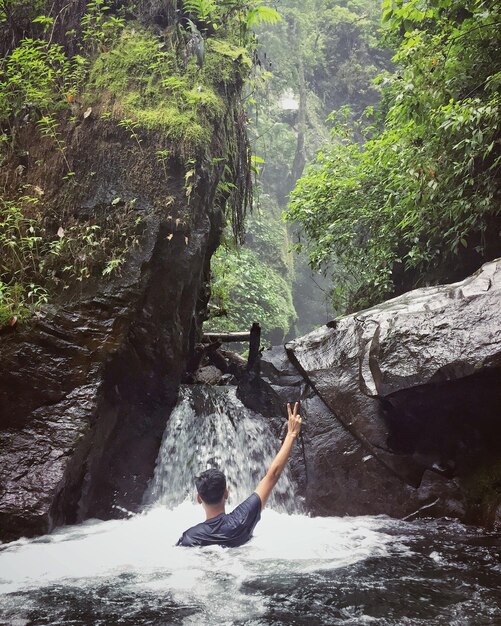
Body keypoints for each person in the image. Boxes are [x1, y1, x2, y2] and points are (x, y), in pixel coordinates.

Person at [176, 401, 302, 547]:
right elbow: (272, 475)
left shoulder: (190, 537)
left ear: (199, 498)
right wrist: (291, 434)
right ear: (226, 493)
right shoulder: (242, 520)